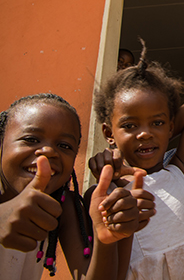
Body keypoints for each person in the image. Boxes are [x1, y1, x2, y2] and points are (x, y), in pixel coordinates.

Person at [90, 43, 184, 280]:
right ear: (109, 133)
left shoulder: (179, 171)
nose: (145, 134)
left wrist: (163, 129)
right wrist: (115, 155)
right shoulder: (108, 193)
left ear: (172, 126)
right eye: (130, 125)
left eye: (157, 123)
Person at [0, 93, 145, 280]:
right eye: (31, 139)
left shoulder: (61, 205)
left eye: (64, 145)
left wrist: (107, 241)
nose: (49, 151)